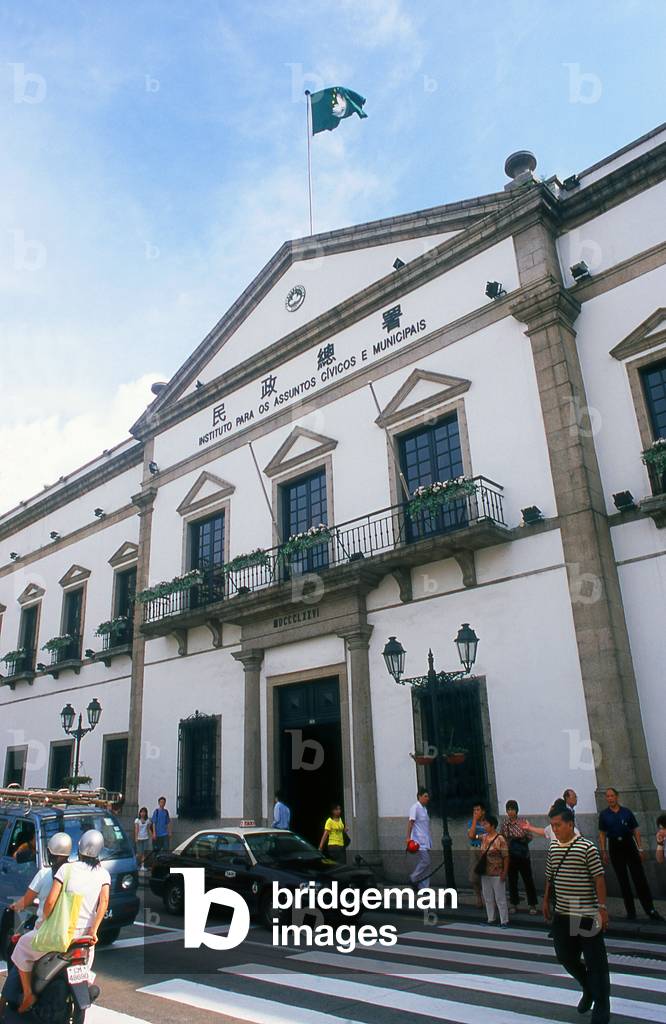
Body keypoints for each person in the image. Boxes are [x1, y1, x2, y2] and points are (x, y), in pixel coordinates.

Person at [11, 829, 110, 1015]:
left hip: (61, 935)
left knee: (22, 948)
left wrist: (44, 922)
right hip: (85, 939)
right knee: (85, 969)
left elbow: (49, 902)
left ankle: (27, 995)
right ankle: (85, 985)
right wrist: (94, 931)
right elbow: (104, 903)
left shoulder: (67, 868)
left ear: (79, 847)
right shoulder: (104, 874)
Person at [543, 805, 610, 1024]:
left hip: (585, 911)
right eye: (553, 826)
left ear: (570, 824)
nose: (556, 829)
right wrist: (545, 901)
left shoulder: (586, 848)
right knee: (565, 956)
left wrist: (602, 908)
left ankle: (601, 1004)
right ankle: (587, 987)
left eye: (558, 825)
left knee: (595, 961)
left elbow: (599, 878)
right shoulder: (553, 848)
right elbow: (550, 877)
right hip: (562, 912)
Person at [0, 832, 72, 1019]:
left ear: (49, 854)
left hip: (48, 932)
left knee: (19, 948)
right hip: (73, 933)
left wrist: (15, 906)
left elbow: (27, 902)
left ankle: (27, 994)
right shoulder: (78, 876)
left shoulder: (46, 875)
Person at [598, 786, 663, 922]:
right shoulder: (604, 815)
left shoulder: (626, 812)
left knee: (639, 878)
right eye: (608, 796)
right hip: (615, 846)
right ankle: (631, 912)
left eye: (612, 796)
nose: (610, 798)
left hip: (629, 844)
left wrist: (640, 848)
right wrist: (603, 850)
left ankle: (650, 909)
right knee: (623, 881)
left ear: (617, 797)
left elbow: (635, 830)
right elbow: (602, 833)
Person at [501, 800, 537, 914]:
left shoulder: (523, 822)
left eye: (513, 809)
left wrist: (522, 837)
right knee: (512, 880)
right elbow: (502, 838)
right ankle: (513, 903)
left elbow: (530, 836)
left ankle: (532, 904)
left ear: (517, 810)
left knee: (528, 880)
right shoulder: (505, 824)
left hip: (523, 854)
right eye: (509, 809)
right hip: (511, 855)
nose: (511, 812)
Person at [478, 813, 509, 926]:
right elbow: (471, 835)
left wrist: (504, 871)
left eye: (486, 824)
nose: (484, 826)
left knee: (500, 897)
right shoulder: (484, 837)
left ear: (492, 825)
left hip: (497, 871)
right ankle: (491, 918)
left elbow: (505, 856)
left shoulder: (500, 839)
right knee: (488, 896)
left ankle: (504, 920)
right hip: (485, 871)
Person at [406, 787, 432, 891]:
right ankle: (414, 877)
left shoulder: (425, 809)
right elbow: (411, 822)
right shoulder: (415, 808)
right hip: (418, 841)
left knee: (427, 865)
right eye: (425, 796)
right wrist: (408, 838)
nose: (427, 798)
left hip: (426, 840)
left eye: (427, 796)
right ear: (419, 797)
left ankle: (424, 886)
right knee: (426, 861)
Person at [466, 801, 487, 908]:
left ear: (483, 811)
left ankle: (488, 897)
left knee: (487, 874)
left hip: (486, 849)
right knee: (474, 876)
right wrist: (474, 820)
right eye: (474, 810)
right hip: (475, 848)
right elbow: (471, 835)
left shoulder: (488, 822)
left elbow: (489, 836)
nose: (475, 812)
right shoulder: (471, 822)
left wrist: (478, 836)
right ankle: (478, 897)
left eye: (478, 810)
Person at [134, 807, 153, 871]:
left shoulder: (147, 820)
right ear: (140, 813)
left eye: (144, 812)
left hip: (145, 838)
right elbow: (136, 829)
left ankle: (142, 866)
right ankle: (135, 864)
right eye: (142, 812)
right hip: (139, 838)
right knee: (139, 853)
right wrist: (136, 837)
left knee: (144, 853)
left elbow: (148, 829)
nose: (143, 813)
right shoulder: (137, 820)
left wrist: (151, 835)